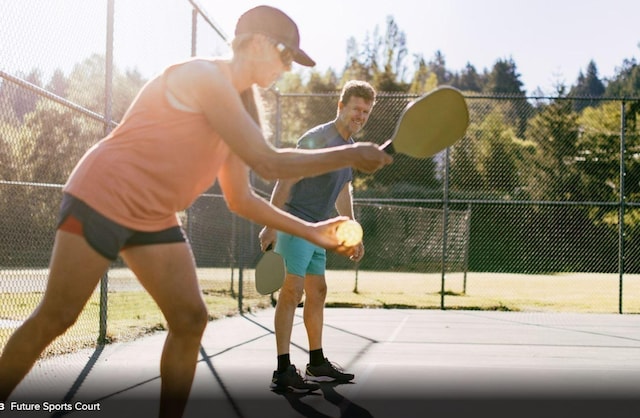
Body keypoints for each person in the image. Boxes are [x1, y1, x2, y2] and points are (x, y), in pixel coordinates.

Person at [0, 6, 392, 418]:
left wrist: (313, 232)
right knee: (57, 316)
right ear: (257, 42)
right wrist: (348, 153)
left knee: (190, 319)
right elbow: (269, 163)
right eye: (285, 54)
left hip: (153, 214)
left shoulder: (244, 106)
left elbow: (240, 198)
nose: (288, 66)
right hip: (104, 194)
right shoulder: (205, 77)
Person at [259, 80, 377, 393]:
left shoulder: (349, 148)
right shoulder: (318, 138)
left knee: (318, 290)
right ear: (341, 106)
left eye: (366, 111)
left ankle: (316, 363)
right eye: (356, 109)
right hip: (297, 224)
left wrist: (351, 230)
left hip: (321, 228)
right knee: (291, 292)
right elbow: (286, 178)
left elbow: (342, 190)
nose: (360, 115)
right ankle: (283, 370)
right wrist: (271, 223)